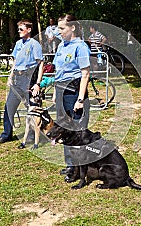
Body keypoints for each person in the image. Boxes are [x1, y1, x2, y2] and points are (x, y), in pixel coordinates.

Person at [52, 14, 91, 181]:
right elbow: (58, 72)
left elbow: (85, 74)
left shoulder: (80, 47)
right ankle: (70, 165)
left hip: (74, 92)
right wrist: (55, 93)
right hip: (61, 90)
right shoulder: (62, 46)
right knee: (64, 130)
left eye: (62, 28)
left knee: (77, 131)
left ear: (72, 27)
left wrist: (80, 99)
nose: (59, 31)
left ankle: (78, 170)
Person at [0, 19, 44, 144]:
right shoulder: (18, 44)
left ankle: (33, 135)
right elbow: (15, 62)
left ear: (29, 30)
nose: (19, 31)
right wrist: (10, 76)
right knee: (9, 107)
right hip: (17, 78)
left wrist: (37, 84)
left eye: (21, 29)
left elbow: (41, 64)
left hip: (29, 78)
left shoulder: (34, 44)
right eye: (18, 29)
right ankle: (7, 134)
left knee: (32, 108)